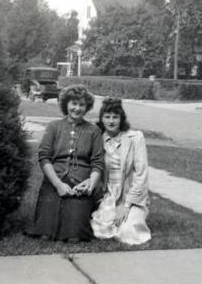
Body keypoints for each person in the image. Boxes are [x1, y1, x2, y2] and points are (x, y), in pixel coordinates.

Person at [26, 84, 104, 242]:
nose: (77, 108)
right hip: (54, 180)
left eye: (82, 104)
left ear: (87, 107)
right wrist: (58, 184)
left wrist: (90, 185)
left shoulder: (94, 131)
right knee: (45, 234)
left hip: (80, 184)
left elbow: (98, 163)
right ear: (66, 104)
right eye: (74, 103)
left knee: (74, 236)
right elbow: (44, 157)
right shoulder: (54, 127)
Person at [88, 97, 151, 245]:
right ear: (101, 119)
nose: (111, 121)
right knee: (101, 229)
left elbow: (141, 175)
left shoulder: (135, 138)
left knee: (128, 232)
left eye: (115, 117)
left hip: (131, 196)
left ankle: (133, 215)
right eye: (107, 117)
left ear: (121, 119)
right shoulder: (97, 140)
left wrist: (126, 205)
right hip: (109, 195)